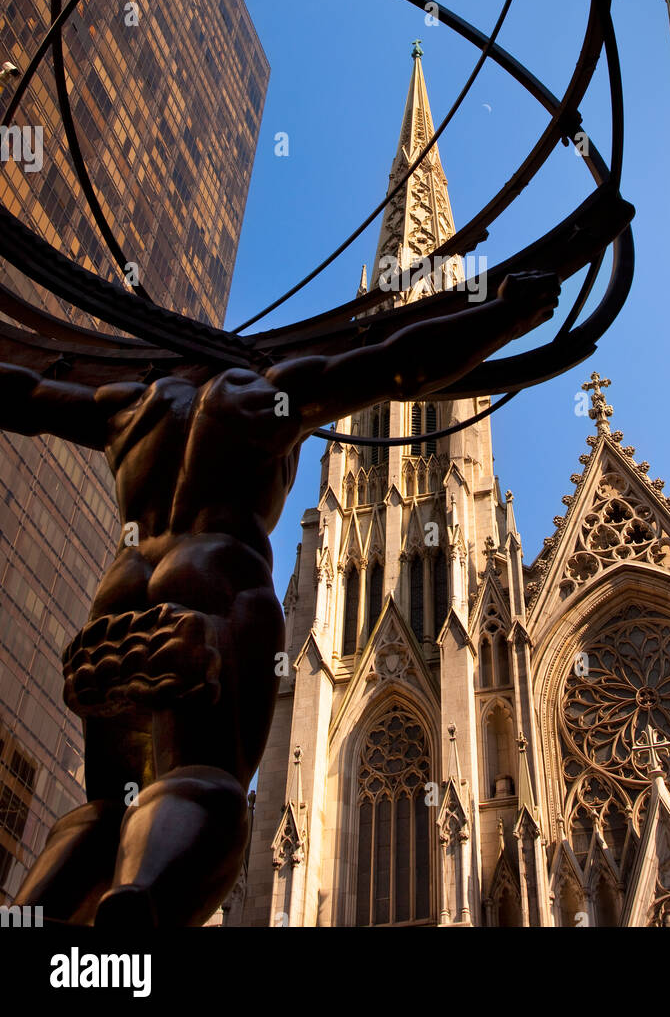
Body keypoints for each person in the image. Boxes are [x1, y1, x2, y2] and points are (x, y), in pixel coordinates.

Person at [4, 269, 559, 925]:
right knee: (202, 780)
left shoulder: (129, 403)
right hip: (208, 590)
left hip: (118, 606)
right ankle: (141, 901)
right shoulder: (260, 392)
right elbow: (399, 364)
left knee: (106, 806)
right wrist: (504, 317)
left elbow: (28, 393)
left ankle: (36, 913)